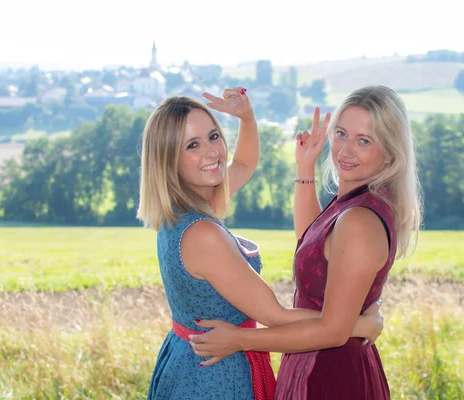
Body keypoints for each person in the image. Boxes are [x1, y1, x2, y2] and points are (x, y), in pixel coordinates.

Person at [136, 88, 384, 400]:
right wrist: (361, 324)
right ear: (168, 158)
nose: (212, 152)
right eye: (192, 145)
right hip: (215, 376)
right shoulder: (203, 234)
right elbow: (276, 316)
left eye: (214, 136)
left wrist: (246, 117)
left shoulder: (183, 206)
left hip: (188, 360)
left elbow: (244, 162)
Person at [188, 85, 423, 399]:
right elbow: (312, 242)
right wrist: (305, 166)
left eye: (363, 141)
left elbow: (332, 331)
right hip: (314, 360)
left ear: (390, 153)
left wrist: (240, 339)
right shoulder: (353, 204)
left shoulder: (359, 220)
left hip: (330, 375)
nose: (344, 151)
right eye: (340, 134)